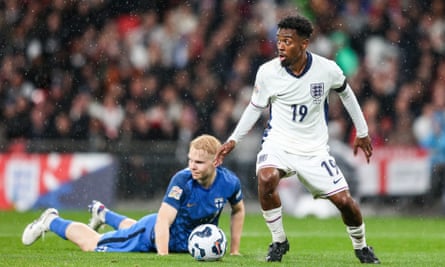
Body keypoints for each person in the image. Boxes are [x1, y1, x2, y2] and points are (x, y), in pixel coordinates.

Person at [215, 15, 380, 264]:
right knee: (266, 177)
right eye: (279, 40)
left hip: (314, 150)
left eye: (287, 41)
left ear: (304, 44)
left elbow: (347, 94)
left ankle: (362, 247)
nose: (280, 46)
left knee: (345, 202)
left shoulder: (327, 69)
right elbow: (253, 108)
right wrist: (233, 140)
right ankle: (279, 241)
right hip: (278, 143)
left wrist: (363, 131)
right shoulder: (267, 73)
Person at [22, 134, 245, 255]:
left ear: (216, 161)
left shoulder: (229, 182)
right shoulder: (182, 180)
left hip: (178, 241)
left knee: (134, 227)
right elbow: (163, 220)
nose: (192, 166)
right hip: (154, 237)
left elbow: (238, 209)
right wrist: (164, 256)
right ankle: (51, 220)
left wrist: (234, 250)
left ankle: (104, 215)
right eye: (190, 160)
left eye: (199, 162)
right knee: (93, 243)